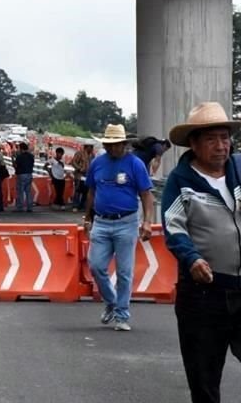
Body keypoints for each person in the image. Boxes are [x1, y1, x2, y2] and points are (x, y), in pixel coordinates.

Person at [162, 104, 241, 402]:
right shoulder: (181, 181)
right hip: (204, 294)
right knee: (205, 379)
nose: (221, 146)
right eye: (211, 139)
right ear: (194, 144)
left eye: (224, 137)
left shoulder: (240, 169)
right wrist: (191, 257)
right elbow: (174, 226)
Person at [84, 123, 154, 332]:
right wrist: (87, 217)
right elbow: (91, 192)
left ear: (124, 144)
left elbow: (146, 195)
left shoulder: (135, 164)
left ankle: (122, 314)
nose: (112, 149)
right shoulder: (97, 163)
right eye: (109, 145)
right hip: (102, 222)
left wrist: (148, 221)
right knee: (96, 265)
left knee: (124, 272)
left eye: (116, 145)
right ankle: (112, 302)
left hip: (127, 222)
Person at [71, 143, 95, 213]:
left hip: (88, 175)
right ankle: (75, 206)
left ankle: (82, 205)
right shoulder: (79, 153)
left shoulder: (92, 155)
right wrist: (79, 168)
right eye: (91, 147)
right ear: (87, 147)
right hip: (80, 175)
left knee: (86, 191)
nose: (92, 149)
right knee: (78, 190)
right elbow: (73, 162)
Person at [13, 142, 35, 212]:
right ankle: (29, 207)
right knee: (28, 191)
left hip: (21, 174)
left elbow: (16, 166)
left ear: (21, 148)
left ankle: (20, 207)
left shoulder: (20, 156)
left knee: (20, 191)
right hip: (29, 174)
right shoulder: (31, 156)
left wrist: (13, 159)